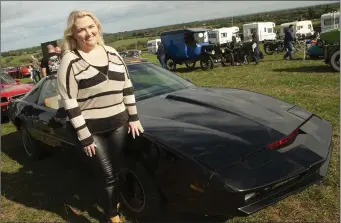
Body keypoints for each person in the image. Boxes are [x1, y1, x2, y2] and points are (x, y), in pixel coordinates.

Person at [56, 10, 144, 223]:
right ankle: (112, 216)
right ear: (73, 35)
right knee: (107, 175)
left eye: (90, 27)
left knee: (116, 171)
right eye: (81, 30)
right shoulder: (70, 60)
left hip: (118, 124)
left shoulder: (112, 53)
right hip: (91, 130)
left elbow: (127, 86)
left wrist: (133, 117)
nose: (87, 33)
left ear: (97, 27)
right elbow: (69, 101)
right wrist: (84, 136)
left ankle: (112, 203)